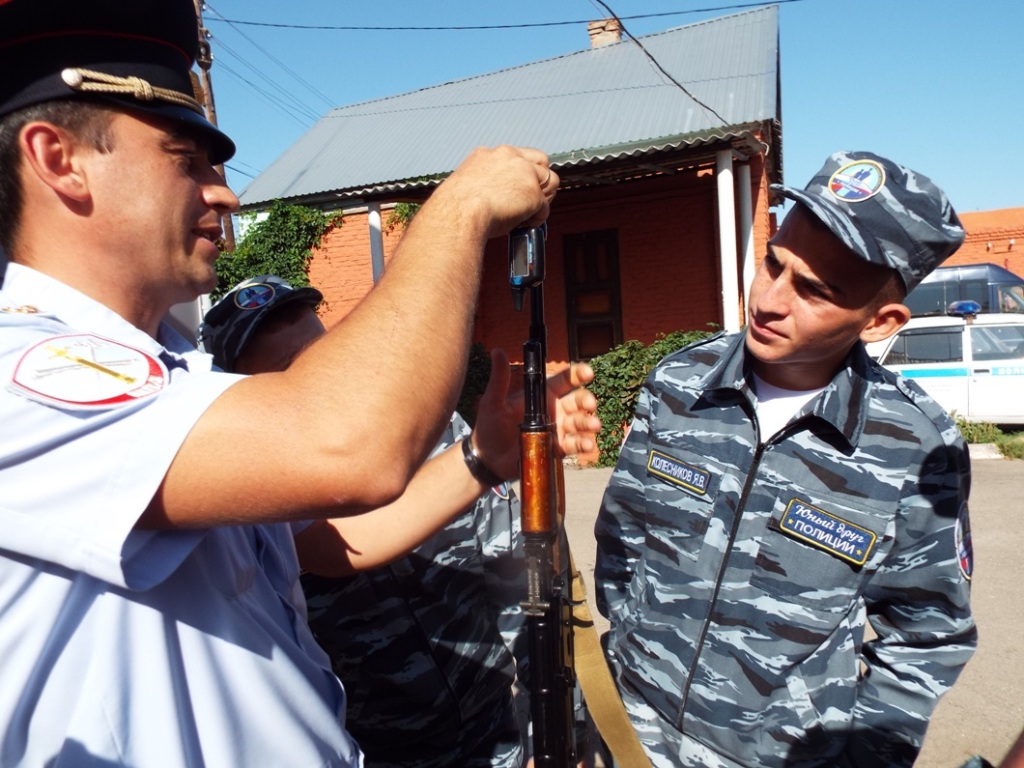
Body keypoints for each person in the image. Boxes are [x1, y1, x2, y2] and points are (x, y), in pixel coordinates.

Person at [0, 1, 601, 765]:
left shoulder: (167, 372)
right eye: (187, 159)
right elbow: (351, 447)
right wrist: (460, 209)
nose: (225, 193)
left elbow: (335, 543)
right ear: (60, 159)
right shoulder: (23, 374)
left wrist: (481, 456)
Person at [594, 151, 978, 768]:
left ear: (881, 321)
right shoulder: (679, 384)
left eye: (814, 291)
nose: (769, 300)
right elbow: (622, 538)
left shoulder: (916, 447)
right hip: (626, 726)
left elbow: (927, 637)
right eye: (774, 262)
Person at [200, 274, 579, 767]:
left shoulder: (432, 434)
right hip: (374, 753)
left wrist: (549, 726)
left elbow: (518, 579)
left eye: (323, 352)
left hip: (498, 737)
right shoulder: (249, 505)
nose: (321, 377)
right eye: (288, 370)